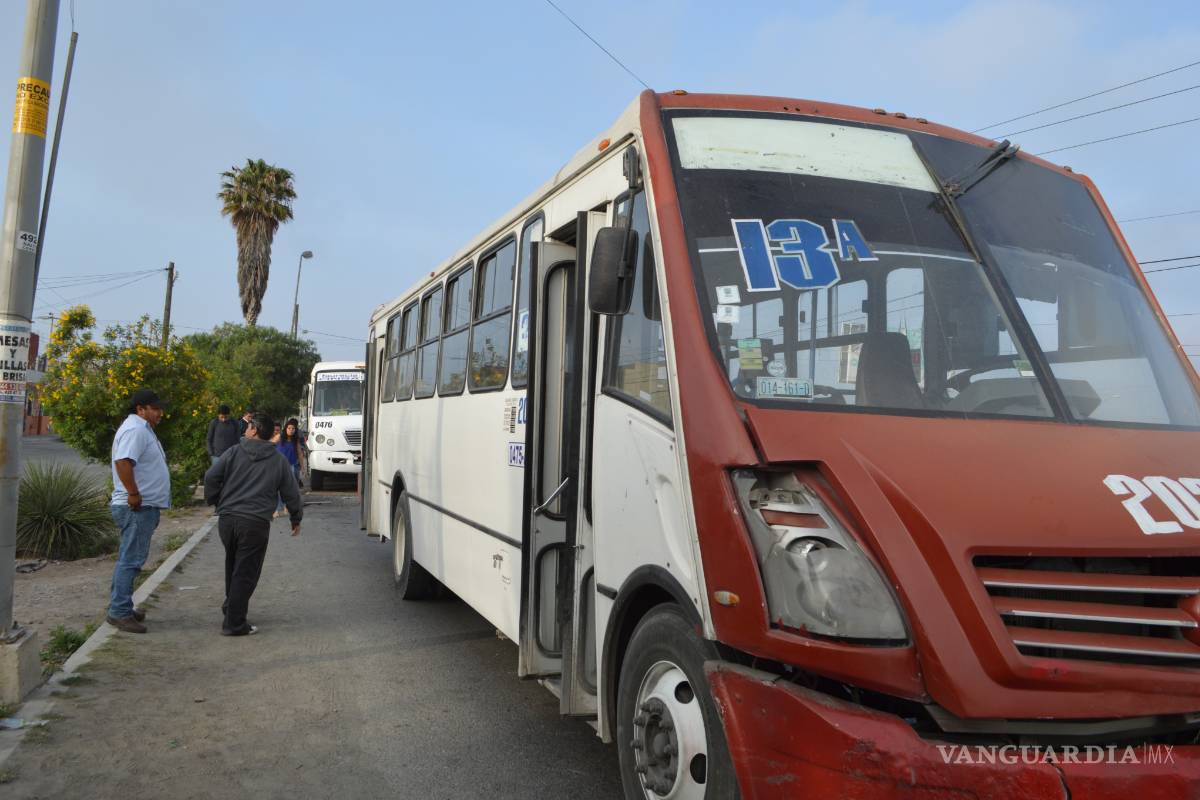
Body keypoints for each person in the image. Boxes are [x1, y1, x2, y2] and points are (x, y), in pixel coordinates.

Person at [203, 412, 302, 636]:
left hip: (228, 521)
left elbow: (211, 477)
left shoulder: (233, 452)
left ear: (255, 430)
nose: (245, 429)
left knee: (234, 564)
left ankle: (231, 608)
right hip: (255, 523)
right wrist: (296, 517)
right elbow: (291, 491)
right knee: (246, 572)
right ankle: (234, 623)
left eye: (248, 426)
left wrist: (217, 500)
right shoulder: (278, 460)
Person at [106, 388, 171, 634]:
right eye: (155, 409)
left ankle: (121, 606)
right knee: (130, 560)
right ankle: (119, 612)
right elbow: (123, 462)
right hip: (135, 507)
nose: (160, 413)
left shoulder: (142, 429)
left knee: (129, 558)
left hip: (142, 506)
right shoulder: (135, 429)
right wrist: (133, 493)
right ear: (140, 409)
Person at [274, 418, 305, 517]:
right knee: (278, 489)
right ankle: (278, 509)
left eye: (293, 428)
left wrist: (303, 467)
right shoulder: (279, 437)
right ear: (285, 428)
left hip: (292, 466)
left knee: (291, 488)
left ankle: (287, 507)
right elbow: (269, 445)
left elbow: (300, 453)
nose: (291, 430)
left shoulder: (295, 440)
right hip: (279, 466)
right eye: (289, 428)